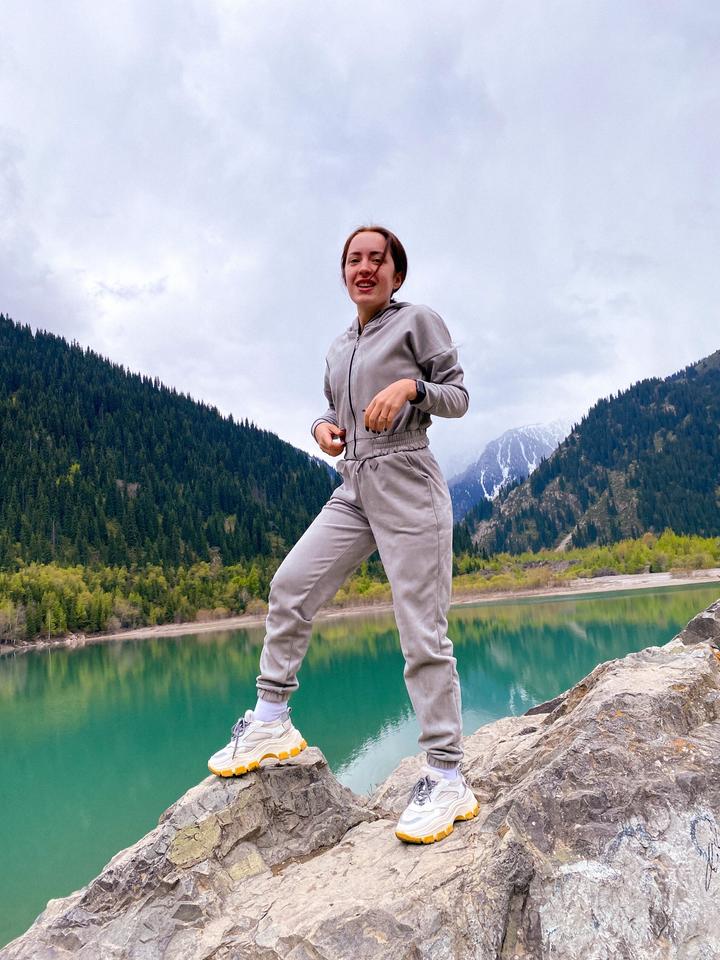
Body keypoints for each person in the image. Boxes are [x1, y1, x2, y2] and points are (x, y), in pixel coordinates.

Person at [208, 225, 478, 844]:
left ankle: (446, 775)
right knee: (290, 585)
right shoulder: (338, 347)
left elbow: (459, 397)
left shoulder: (418, 322)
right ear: (344, 274)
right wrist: (321, 427)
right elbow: (335, 411)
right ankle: (272, 718)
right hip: (354, 483)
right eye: (354, 260)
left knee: (422, 633)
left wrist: (411, 388)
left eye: (377, 260)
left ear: (396, 274)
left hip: (408, 478)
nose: (364, 268)